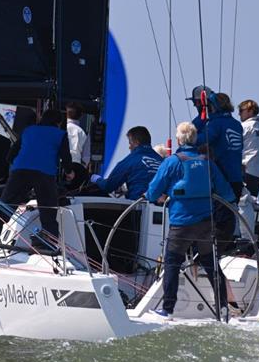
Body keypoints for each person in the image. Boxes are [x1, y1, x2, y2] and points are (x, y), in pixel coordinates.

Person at [146, 122, 235, 318]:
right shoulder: (208, 161)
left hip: (181, 223)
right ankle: (223, 308)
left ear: (178, 139)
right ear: (195, 140)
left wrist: (158, 196)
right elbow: (227, 194)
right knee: (211, 263)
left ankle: (167, 309)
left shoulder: (172, 161)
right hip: (205, 223)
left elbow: (153, 192)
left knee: (172, 262)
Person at [0, 109, 73, 254]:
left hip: (20, 171)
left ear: (42, 118)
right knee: (48, 210)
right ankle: (48, 245)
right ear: (58, 122)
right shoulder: (60, 134)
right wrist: (69, 173)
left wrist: (15, 167)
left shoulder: (29, 130)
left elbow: (10, 155)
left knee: (5, 207)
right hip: (45, 174)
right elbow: (66, 159)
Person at [188, 88, 244, 252]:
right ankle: (221, 251)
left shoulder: (215, 124)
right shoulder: (236, 124)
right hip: (236, 180)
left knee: (212, 219)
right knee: (227, 218)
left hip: (221, 180)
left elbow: (198, 140)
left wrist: (189, 133)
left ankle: (207, 253)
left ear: (212, 107)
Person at [89, 126, 163, 200]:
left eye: (130, 143)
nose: (129, 147)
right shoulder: (162, 161)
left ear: (136, 142)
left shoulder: (131, 160)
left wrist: (96, 179)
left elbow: (108, 186)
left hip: (138, 206)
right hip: (162, 208)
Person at [238, 99, 259, 196]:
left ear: (250, 111)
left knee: (238, 202)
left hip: (245, 171)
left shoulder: (244, 127)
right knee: (249, 202)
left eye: (241, 111)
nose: (239, 114)